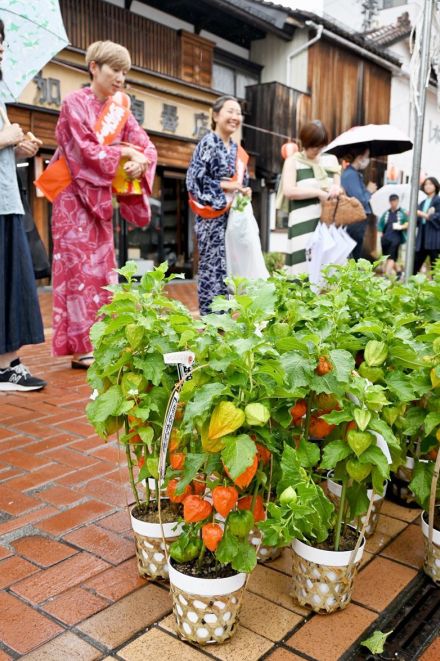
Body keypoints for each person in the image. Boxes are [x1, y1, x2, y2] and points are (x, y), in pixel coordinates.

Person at [49, 40, 157, 368]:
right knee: (77, 268)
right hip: (72, 196)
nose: (120, 78)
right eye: (114, 69)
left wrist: (140, 162)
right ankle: (80, 346)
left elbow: (145, 146)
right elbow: (84, 151)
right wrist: (123, 153)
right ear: (94, 67)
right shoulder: (73, 104)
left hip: (98, 198)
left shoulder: (120, 108)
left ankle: (102, 339)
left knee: (101, 268)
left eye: (124, 72)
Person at [0, 19, 46, 391]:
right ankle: (6, 366)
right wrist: (5, 137)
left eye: (2, 41)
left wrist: (18, 146)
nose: (1, 47)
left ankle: (8, 363)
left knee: (11, 282)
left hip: (7, 199)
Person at [186, 95, 251, 315]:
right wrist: (226, 186)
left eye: (238, 113)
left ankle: (228, 316)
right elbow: (195, 180)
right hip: (211, 217)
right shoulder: (208, 142)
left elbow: (243, 181)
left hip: (231, 219)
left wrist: (244, 190)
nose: (235, 117)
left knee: (231, 267)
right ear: (215, 115)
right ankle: (212, 320)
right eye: (230, 111)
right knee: (212, 269)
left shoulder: (237, 150)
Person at [276, 120, 341, 275]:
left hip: (328, 224)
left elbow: (339, 188)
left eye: (321, 145)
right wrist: (318, 193)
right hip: (302, 224)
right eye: (313, 145)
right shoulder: (293, 161)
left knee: (327, 273)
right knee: (302, 270)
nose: (317, 150)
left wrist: (336, 189)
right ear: (304, 143)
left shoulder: (331, 160)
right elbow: (289, 191)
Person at [340, 146, 377, 260]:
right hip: (355, 219)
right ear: (360, 157)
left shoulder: (353, 174)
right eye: (366, 157)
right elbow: (360, 199)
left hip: (356, 219)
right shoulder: (351, 174)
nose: (368, 160)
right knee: (354, 254)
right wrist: (369, 191)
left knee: (354, 252)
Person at [414, 176, 440, 274]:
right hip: (422, 238)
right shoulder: (422, 202)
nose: (427, 186)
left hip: (434, 239)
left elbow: (438, 218)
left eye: (430, 184)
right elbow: (417, 221)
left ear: (436, 186)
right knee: (414, 267)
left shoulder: (438, 201)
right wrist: (412, 215)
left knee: (435, 269)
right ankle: (412, 288)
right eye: (425, 184)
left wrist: (423, 214)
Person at [377, 193, 408, 276]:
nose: (393, 203)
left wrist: (401, 226)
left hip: (396, 237)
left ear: (398, 201)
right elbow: (380, 225)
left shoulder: (403, 213)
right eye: (391, 201)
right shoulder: (386, 213)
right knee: (387, 257)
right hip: (386, 238)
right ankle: (399, 272)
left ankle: (386, 275)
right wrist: (381, 234)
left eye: (395, 201)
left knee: (391, 257)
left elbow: (408, 223)